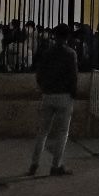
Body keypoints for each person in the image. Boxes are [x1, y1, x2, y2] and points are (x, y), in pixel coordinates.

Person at [28, 23, 78, 176]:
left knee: (42, 132)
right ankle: (56, 165)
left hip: (48, 95)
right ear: (67, 36)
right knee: (62, 133)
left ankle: (34, 164)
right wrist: (73, 93)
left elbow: (39, 73)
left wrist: (43, 88)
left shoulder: (47, 53)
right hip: (64, 96)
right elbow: (73, 76)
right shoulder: (70, 54)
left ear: (55, 36)